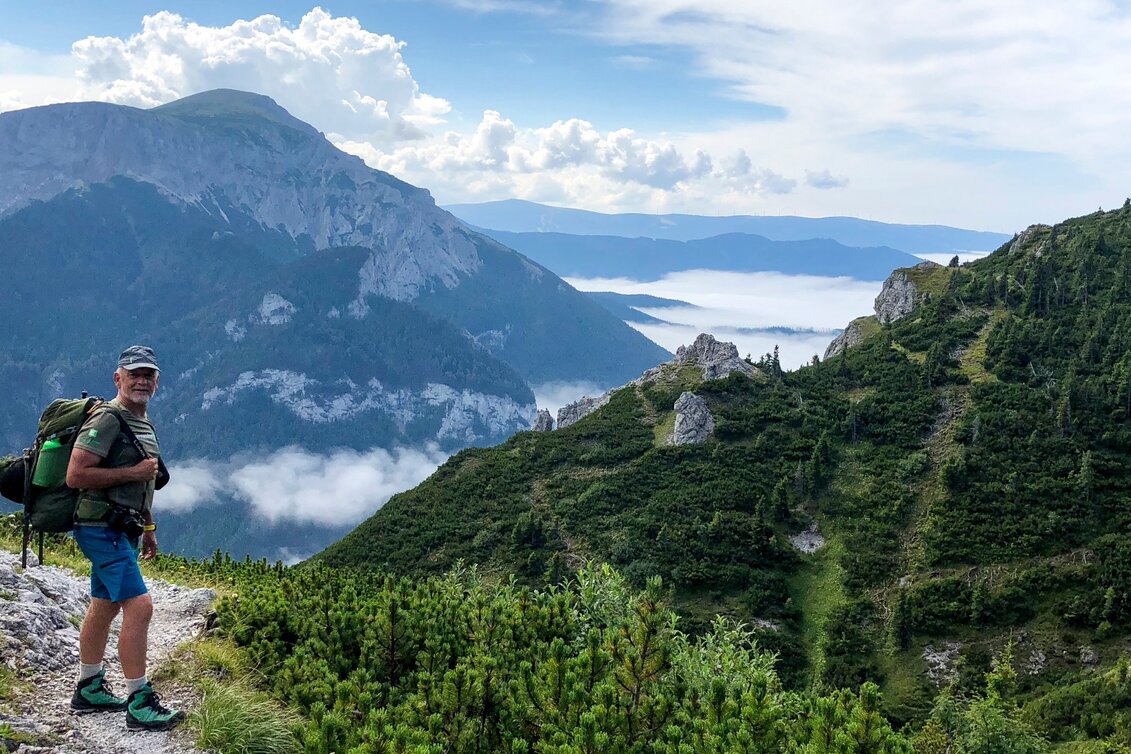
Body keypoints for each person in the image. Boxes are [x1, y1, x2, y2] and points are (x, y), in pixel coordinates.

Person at [66, 345, 185, 731]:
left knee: (105, 604)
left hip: (122, 527)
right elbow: (76, 475)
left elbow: (143, 482)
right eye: (133, 373)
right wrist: (133, 473)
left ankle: (89, 687)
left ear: (157, 381)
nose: (141, 380)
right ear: (118, 378)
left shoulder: (140, 422)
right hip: (101, 528)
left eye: (148, 374)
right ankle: (139, 700)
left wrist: (148, 528)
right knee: (140, 606)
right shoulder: (107, 420)